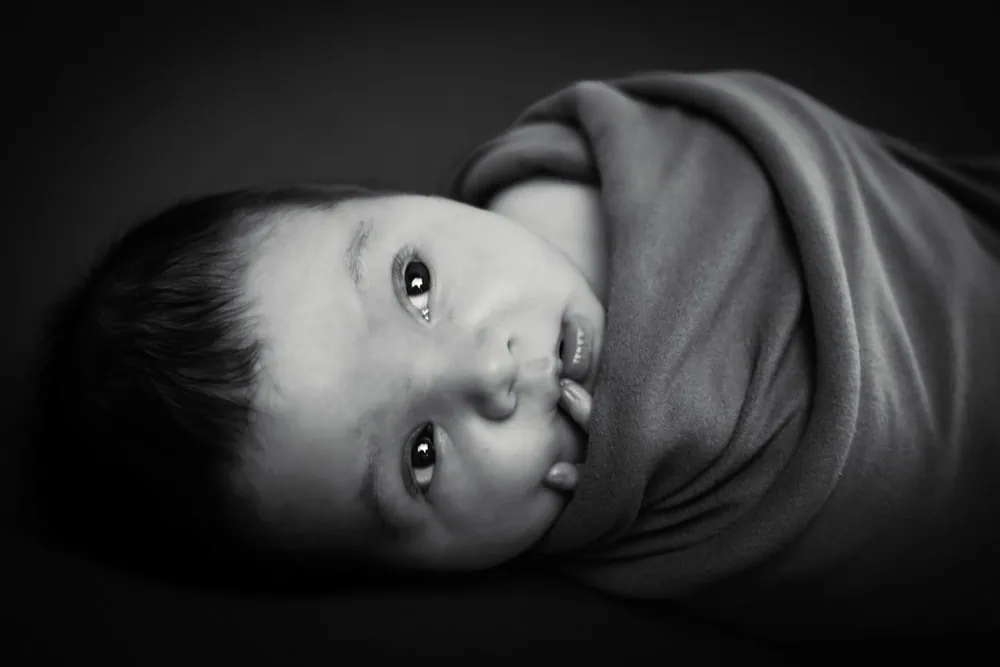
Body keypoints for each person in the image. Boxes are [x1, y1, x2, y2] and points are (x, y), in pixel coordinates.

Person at [30, 70, 1000, 638]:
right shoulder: (663, 508)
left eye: (415, 283)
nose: (487, 372)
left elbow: (770, 136)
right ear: (420, 576)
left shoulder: (589, 153)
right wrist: (634, 449)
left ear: (386, 195)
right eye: (421, 455)